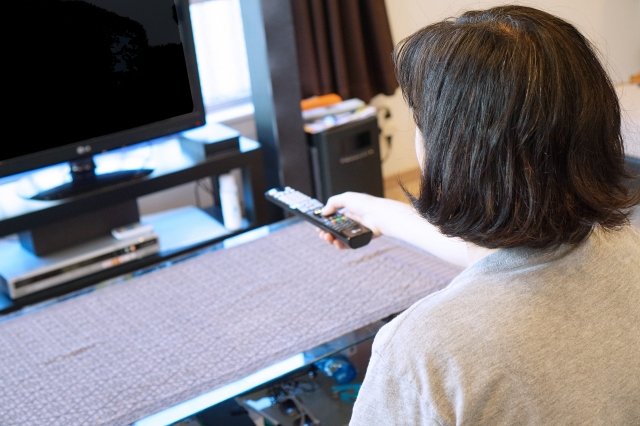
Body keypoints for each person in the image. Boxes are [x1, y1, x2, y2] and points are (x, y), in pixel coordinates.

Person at [319, 5, 640, 424]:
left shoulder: (422, 352)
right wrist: (380, 214)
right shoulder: (626, 245)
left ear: (454, 155)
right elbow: (503, 259)